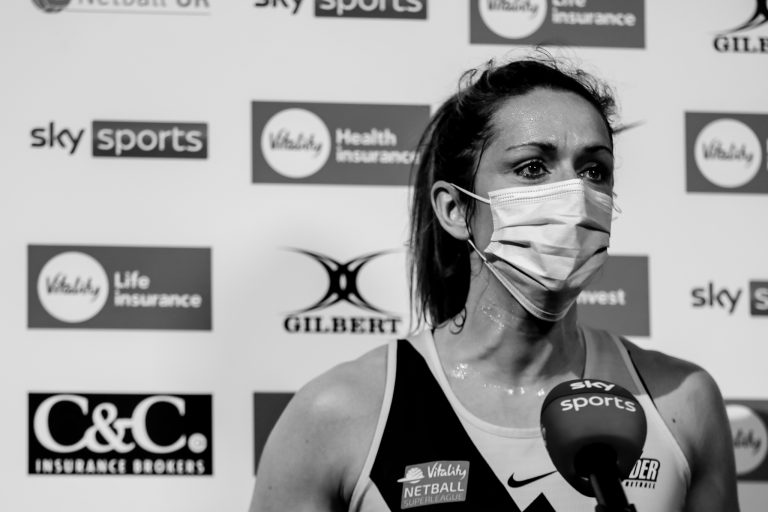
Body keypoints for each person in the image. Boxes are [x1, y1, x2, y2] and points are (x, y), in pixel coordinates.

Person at [249, 54, 739, 511]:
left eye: (595, 169)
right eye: (532, 168)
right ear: (456, 209)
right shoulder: (341, 413)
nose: (574, 195)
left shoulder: (683, 402)